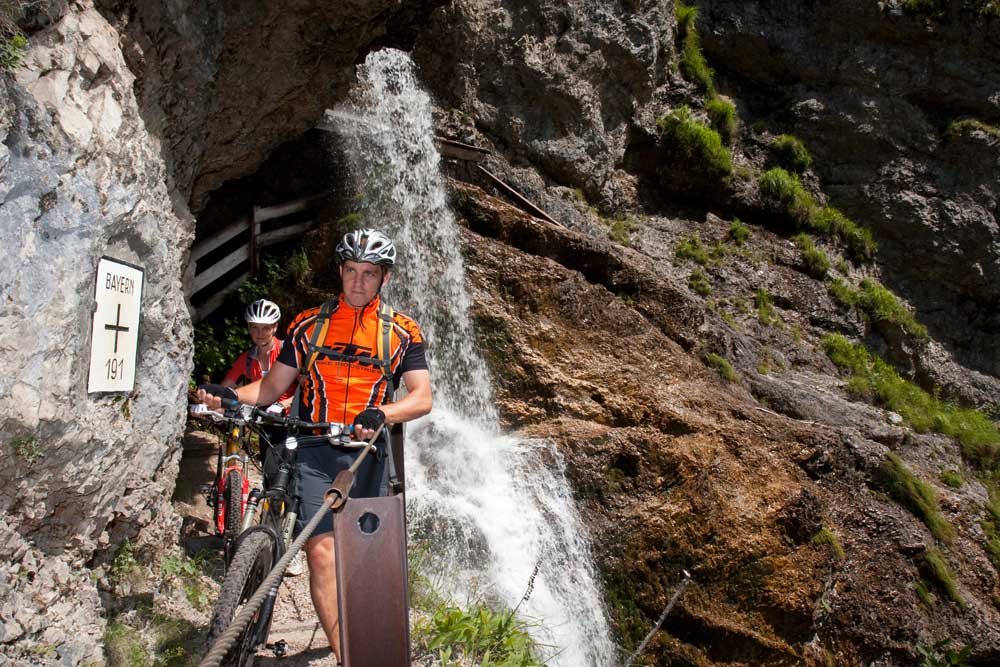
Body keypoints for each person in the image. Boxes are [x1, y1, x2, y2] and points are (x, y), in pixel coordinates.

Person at [197, 229, 432, 663]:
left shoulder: (403, 332)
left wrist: (384, 413)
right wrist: (228, 395)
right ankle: (349, 658)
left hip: (368, 455)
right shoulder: (308, 325)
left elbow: (422, 397)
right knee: (321, 551)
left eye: (368, 273)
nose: (358, 282)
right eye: (350, 271)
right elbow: (269, 389)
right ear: (340, 272)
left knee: (362, 560)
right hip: (313, 448)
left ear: (384, 279)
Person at [221, 298, 296, 407]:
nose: (260, 333)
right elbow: (224, 389)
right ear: (248, 328)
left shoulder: (289, 352)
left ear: (275, 327)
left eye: (266, 328)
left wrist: (282, 406)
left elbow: (308, 390)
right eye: (255, 327)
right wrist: (208, 402)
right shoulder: (246, 359)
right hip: (257, 419)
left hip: (290, 418)